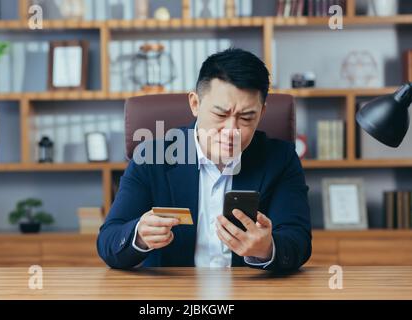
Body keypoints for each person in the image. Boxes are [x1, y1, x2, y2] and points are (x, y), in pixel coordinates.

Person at [97, 48, 311, 270]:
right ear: (195, 104)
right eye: (220, 115)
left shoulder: (280, 159)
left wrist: (268, 248)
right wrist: (139, 235)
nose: (231, 131)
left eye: (246, 118)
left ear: (262, 113)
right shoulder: (151, 158)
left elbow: (299, 241)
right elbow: (108, 242)